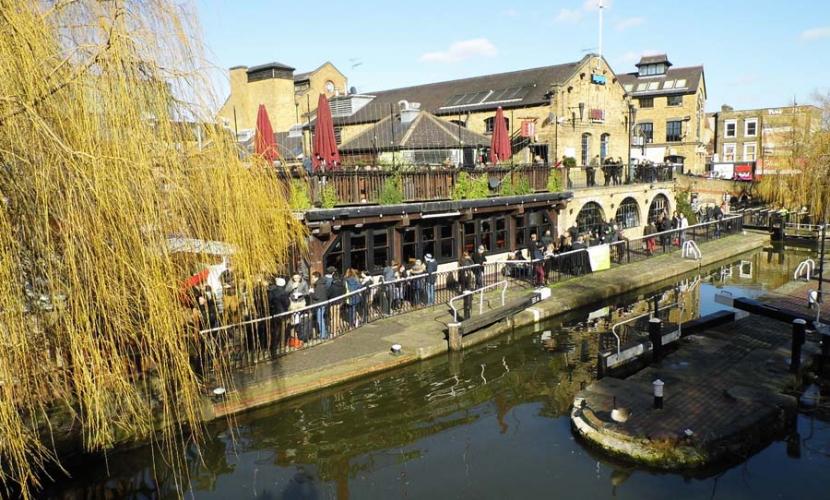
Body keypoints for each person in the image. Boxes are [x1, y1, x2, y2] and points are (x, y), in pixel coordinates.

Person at [310, 271, 330, 339]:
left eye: (313, 277)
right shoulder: (322, 284)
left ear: (316, 277)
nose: (312, 279)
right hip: (323, 303)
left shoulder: (318, 285)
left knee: (320, 319)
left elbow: (317, 296)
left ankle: (323, 334)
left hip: (320, 304)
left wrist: (311, 293)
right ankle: (324, 333)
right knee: (321, 319)